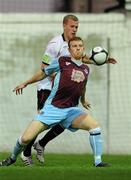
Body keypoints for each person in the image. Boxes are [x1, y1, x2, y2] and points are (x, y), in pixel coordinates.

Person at [19, 14, 117, 166]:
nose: (75, 29)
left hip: (62, 91)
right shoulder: (54, 44)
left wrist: (100, 62)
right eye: (72, 26)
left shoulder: (73, 43)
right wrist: (63, 73)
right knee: (41, 122)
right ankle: (25, 154)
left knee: (64, 123)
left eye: (77, 27)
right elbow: (43, 68)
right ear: (64, 25)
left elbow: (82, 59)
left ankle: (41, 144)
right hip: (46, 88)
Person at [0, 36, 109, 167]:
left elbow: (82, 86)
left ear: (84, 48)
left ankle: (98, 161)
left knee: (95, 127)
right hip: (53, 108)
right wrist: (25, 83)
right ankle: (12, 158)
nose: (78, 48)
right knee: (26, 138)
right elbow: (43, 73)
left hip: (71, 111)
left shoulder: (86, 69)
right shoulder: (62, 61)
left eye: (80, 46)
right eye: (74, 46)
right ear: (69, 50)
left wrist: (83, 100)